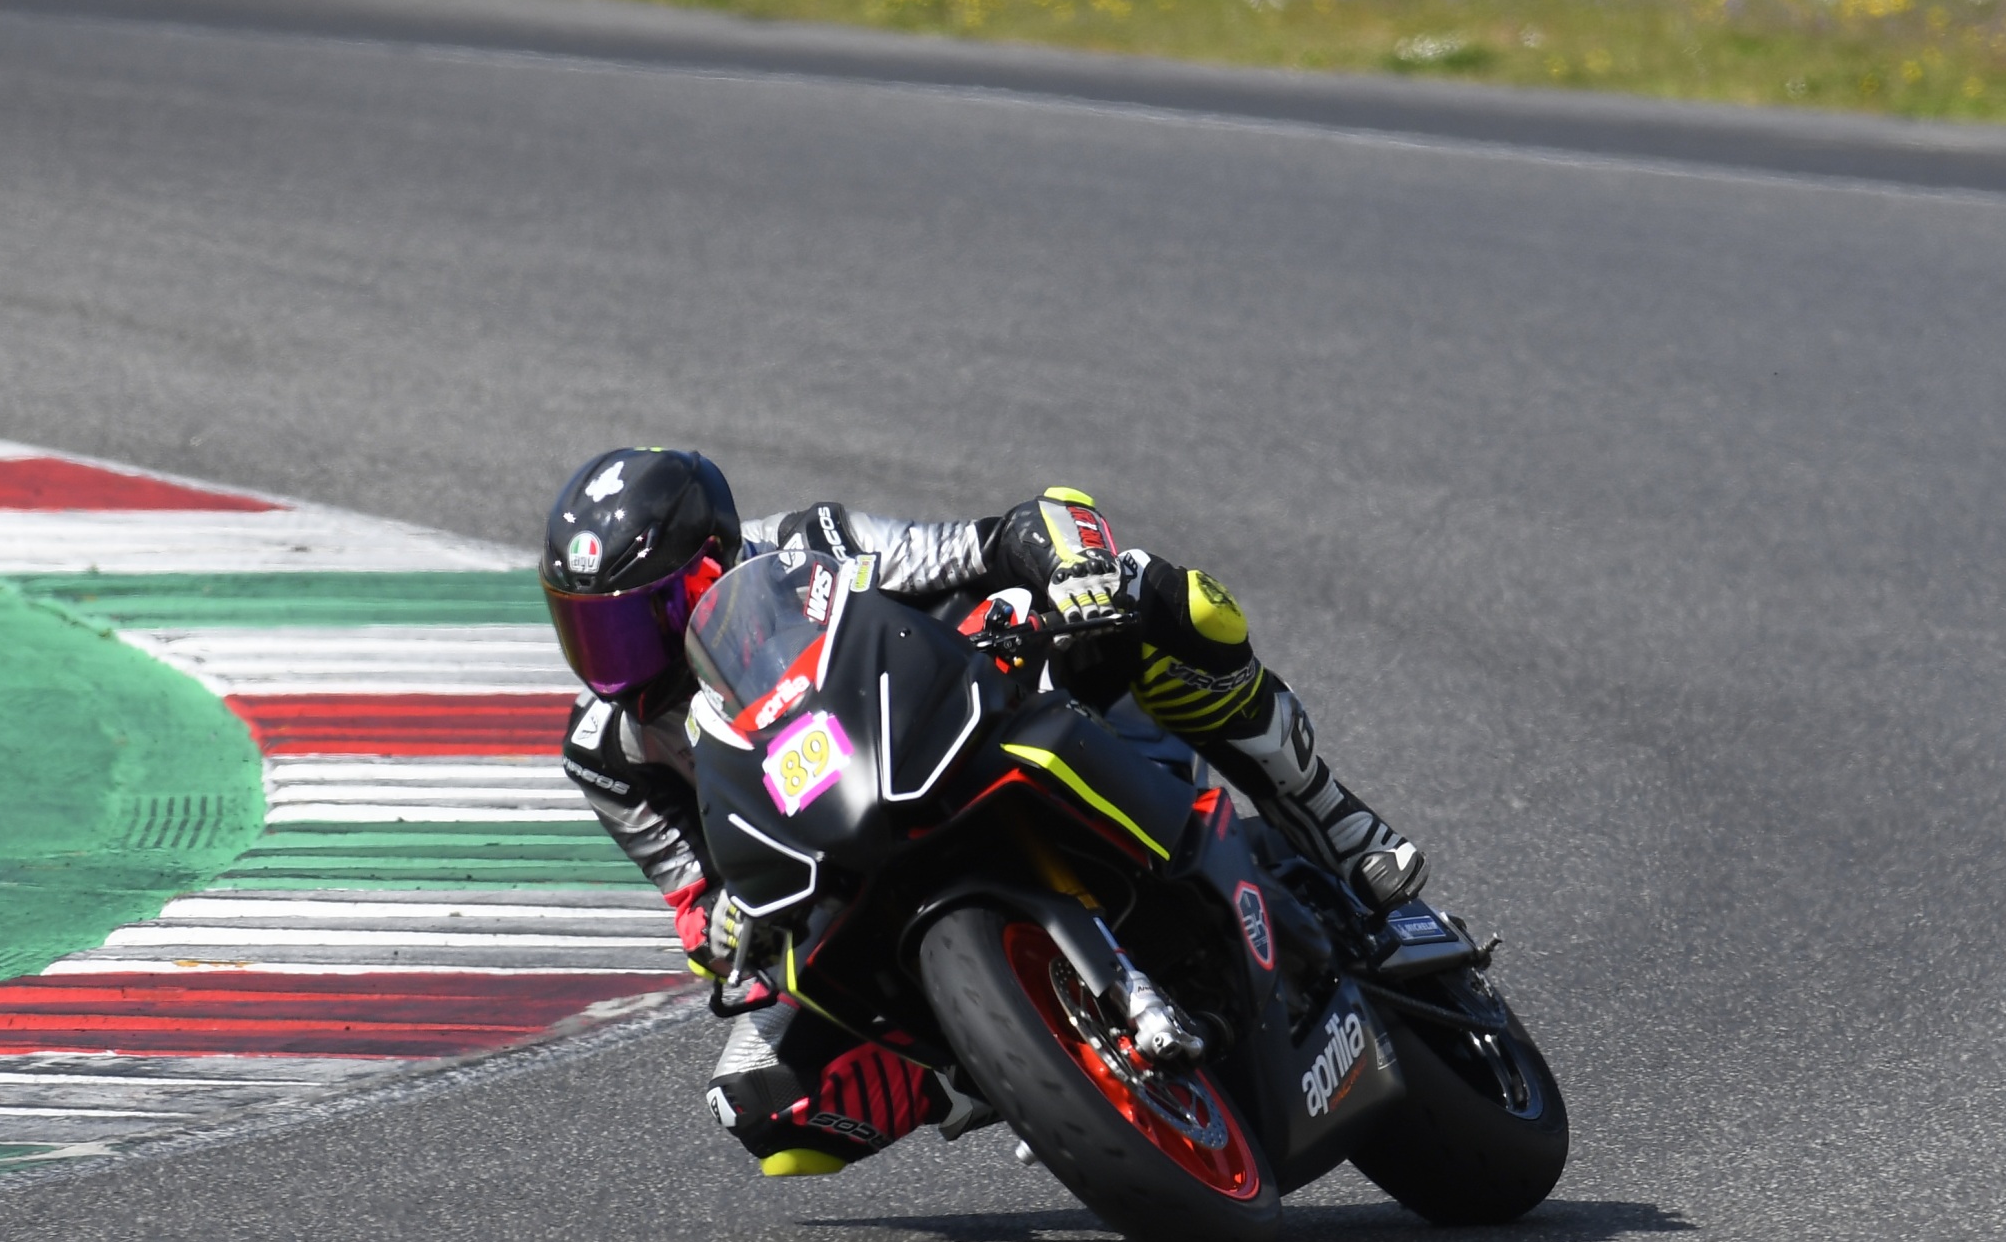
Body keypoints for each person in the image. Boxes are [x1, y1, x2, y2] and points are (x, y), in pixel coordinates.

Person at [540, 445, 1426, 1180]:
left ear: (709, 562)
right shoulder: (607, 750)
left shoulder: (811, 547)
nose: (615, 659)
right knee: (761, 1104)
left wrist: (1072, 570)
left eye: (633, 622)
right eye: (589, 631)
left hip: (971, 721)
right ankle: (998, 1067)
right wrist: (721, 929)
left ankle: (1328, 815)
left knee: (1159, 597)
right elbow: (692, 897)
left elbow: (995, 540)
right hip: (837, 859)